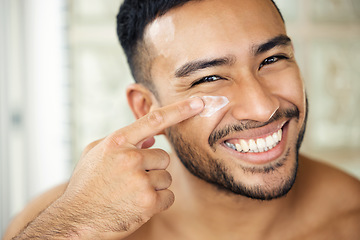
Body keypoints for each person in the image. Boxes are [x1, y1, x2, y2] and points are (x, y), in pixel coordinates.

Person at [4, 0, 360, 239]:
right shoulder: (62, 223)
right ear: (146, 107)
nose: (260, 106)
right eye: (208, 78)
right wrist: (75, 227)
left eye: (271, 59)